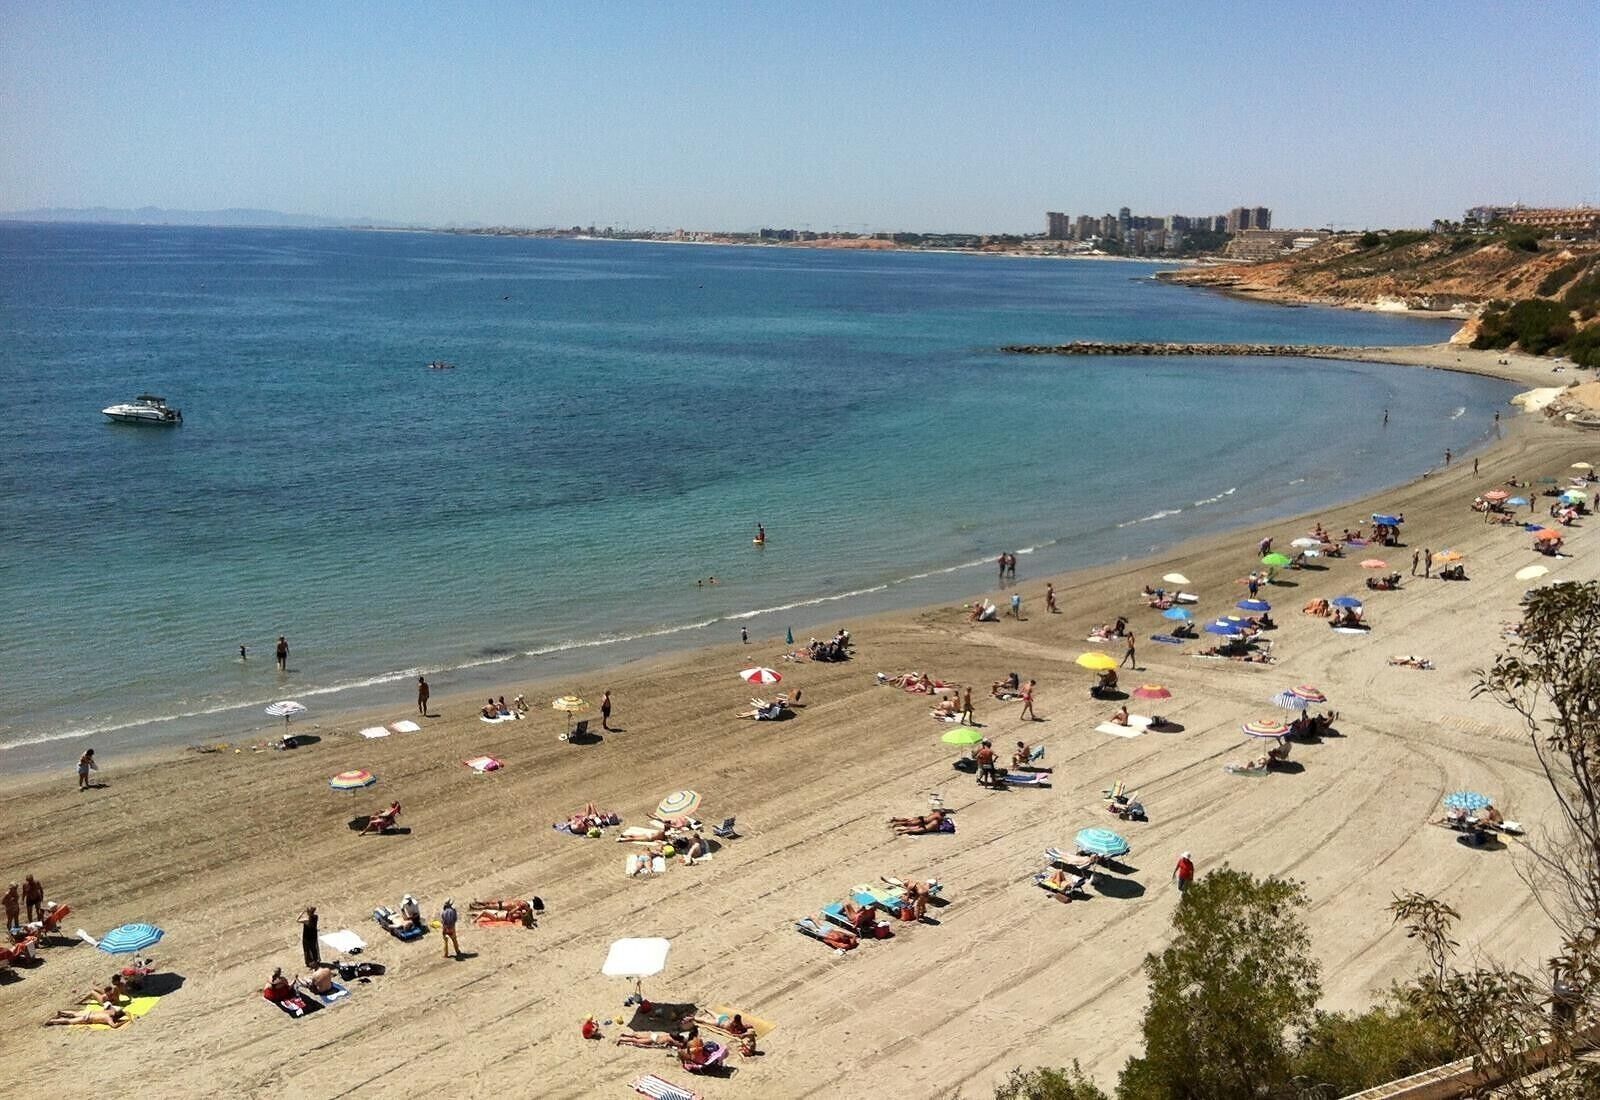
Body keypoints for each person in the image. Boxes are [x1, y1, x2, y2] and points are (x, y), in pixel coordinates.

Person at [46, 1005, 128, 1028]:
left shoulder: (110, 1010)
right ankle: (52, 1021)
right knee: (69, 1021)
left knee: (74, 1013)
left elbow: (112, 1006)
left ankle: (61, 1012)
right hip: (88, 1018)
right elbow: (114, 1026)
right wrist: (124, 1021)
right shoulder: (108, 1018)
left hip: (90, 1013)